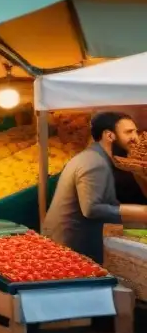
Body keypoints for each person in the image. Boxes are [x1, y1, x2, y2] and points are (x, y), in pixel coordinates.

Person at [44, 111, 146, 264]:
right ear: (109, 135)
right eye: (129, 132)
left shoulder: (100, 158)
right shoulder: (94, 163)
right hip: (73, 247)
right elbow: (91, 209)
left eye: (136, 132)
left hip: (77, 242)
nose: (135, 138)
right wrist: (141, 212)